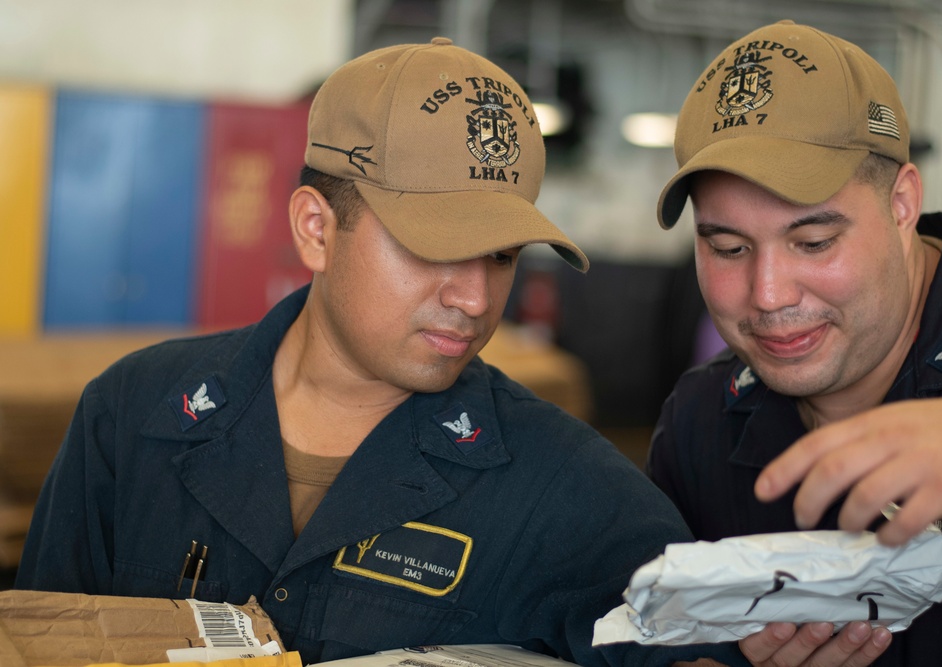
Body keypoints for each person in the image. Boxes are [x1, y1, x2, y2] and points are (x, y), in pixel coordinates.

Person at [15, 38, 749, 666]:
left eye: (500, 255)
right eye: (434, 246)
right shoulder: (133, 418)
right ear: (316, 228)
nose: (473, 297)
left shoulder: (565, 487)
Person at [647, 19, 942, 667]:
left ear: (901, 204)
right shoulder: (700, 423)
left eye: (813, 242)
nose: (770, 294)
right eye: (727, 247)